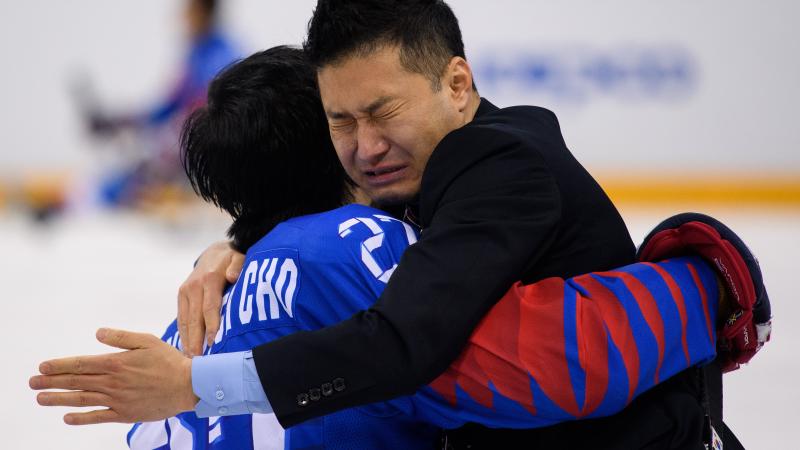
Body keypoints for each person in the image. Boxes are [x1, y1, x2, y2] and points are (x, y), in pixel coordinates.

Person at [30, 2, 768, 449]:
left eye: (382, 113)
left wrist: (205, 349)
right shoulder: (364, 236)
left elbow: (409, 343)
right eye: (341, 122)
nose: (366, 146)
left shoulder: (494, 165)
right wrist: (702, 282)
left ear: (458, 82)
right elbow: (550, 364)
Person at [85, 0, 238, 208]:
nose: (182, 19)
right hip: (185, 152)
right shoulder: (196, 55)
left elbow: (210, 116)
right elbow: (166, 106)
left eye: (187, 12)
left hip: (208, 162)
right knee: (115, 181)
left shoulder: (223, 58)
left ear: (201, 12)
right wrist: (119, 120)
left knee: (121, 185)